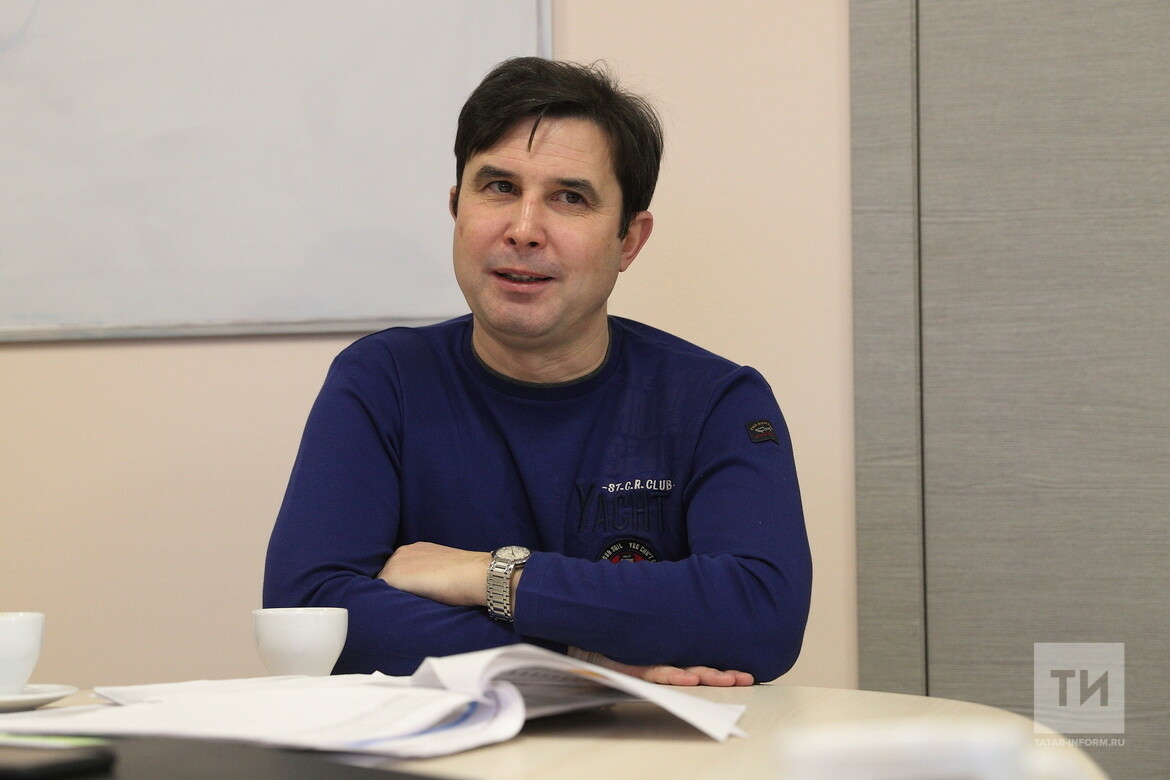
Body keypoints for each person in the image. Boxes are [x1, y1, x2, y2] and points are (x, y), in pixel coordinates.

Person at [263, 57, 811, 686]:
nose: (524, 230)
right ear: (456, 209)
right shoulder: (382, 380)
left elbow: (761, 617)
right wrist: (585, 659)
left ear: (629, 240)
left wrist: (488, 575)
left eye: (569, 198)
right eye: (499, 187)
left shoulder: (715, 400)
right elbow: (309, 617)